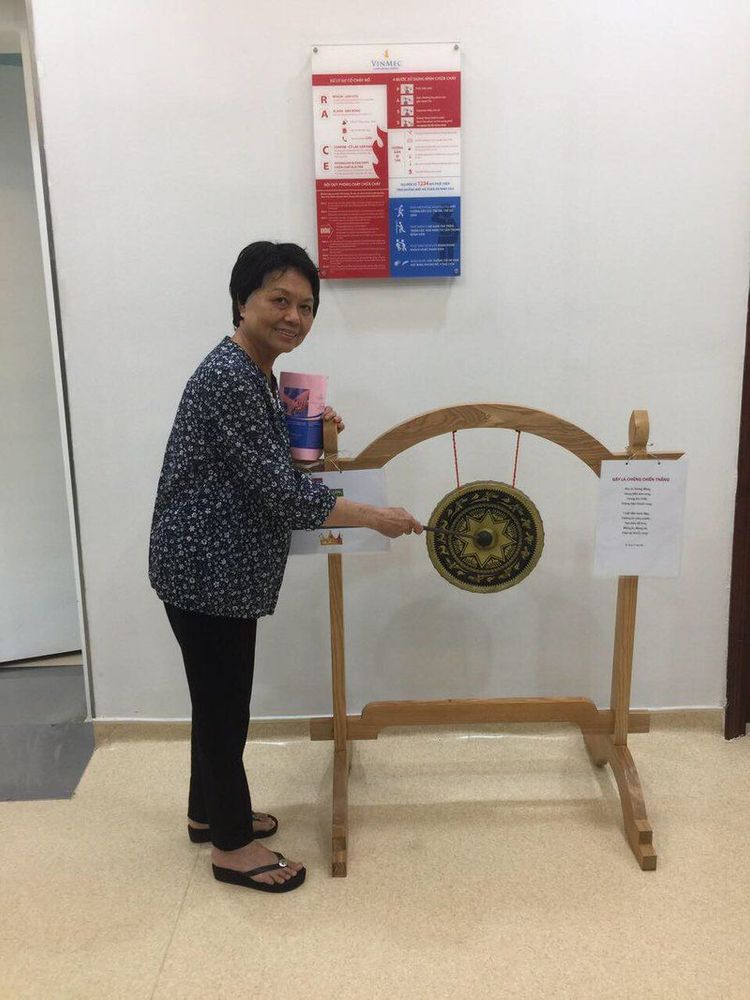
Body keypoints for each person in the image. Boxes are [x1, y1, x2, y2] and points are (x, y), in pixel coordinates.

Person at [149, 241, 422, 893]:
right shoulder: (230, 377)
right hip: (205, 568)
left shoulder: (256, 374)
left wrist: (311, 434)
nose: (294, 316)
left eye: (306, 305)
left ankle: (207, 814)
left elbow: (269, 469)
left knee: (217, 700)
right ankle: (232, 849)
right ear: (242, 301)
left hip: (217, 565)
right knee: (224, 708)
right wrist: (372, 515)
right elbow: (280, 496)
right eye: (279, 300)